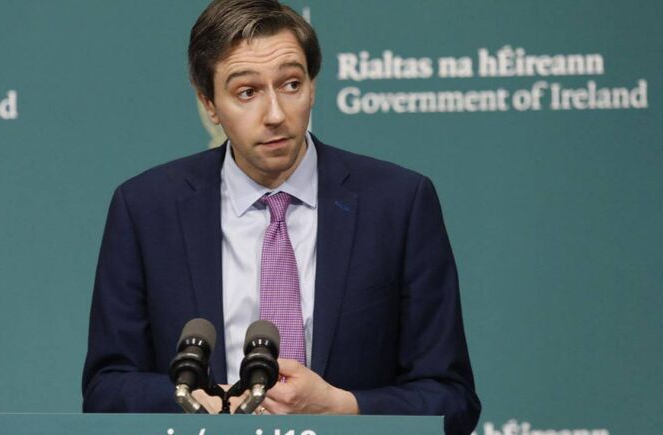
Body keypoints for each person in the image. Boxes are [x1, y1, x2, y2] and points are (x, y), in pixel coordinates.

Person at [82, 0, 480, 433]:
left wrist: (342, 408)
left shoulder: (399, 203)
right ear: (209, 104)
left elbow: (452, 398)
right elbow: (106, 388)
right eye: (247, 92)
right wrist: (198, 406)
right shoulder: (145, 209)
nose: (275, 114)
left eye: (291, 84)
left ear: (312, 86)